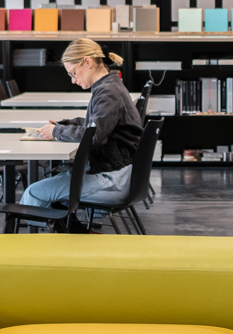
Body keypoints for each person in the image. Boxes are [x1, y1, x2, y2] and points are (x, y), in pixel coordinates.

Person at [23, 37, 145, 209]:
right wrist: (62, 125)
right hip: (121, 173)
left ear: (87, 62)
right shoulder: (110, 85)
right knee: (52, 187)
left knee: (33, 193)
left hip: (114, 179)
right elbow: (95, 123)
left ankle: (48, 227)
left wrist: (56, 132)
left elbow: (94, 136)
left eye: (73, 73)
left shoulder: (107, 92)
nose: (73, 80)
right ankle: (69, 227)